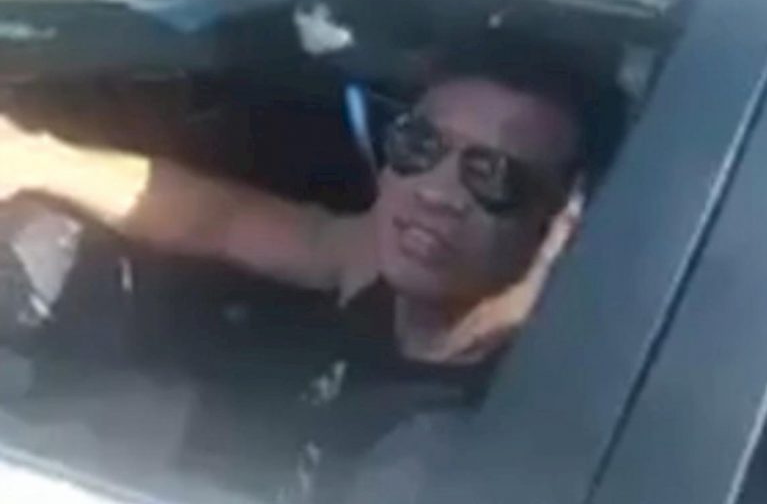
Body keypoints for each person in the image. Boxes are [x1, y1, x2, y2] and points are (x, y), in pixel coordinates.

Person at [0, 41, 624, 502]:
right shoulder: (378, 261)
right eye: (420, 146)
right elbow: (222, 219)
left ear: (567, 218)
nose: (434, 192)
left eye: (492, 175)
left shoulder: (499, 424)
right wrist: (36, 158)